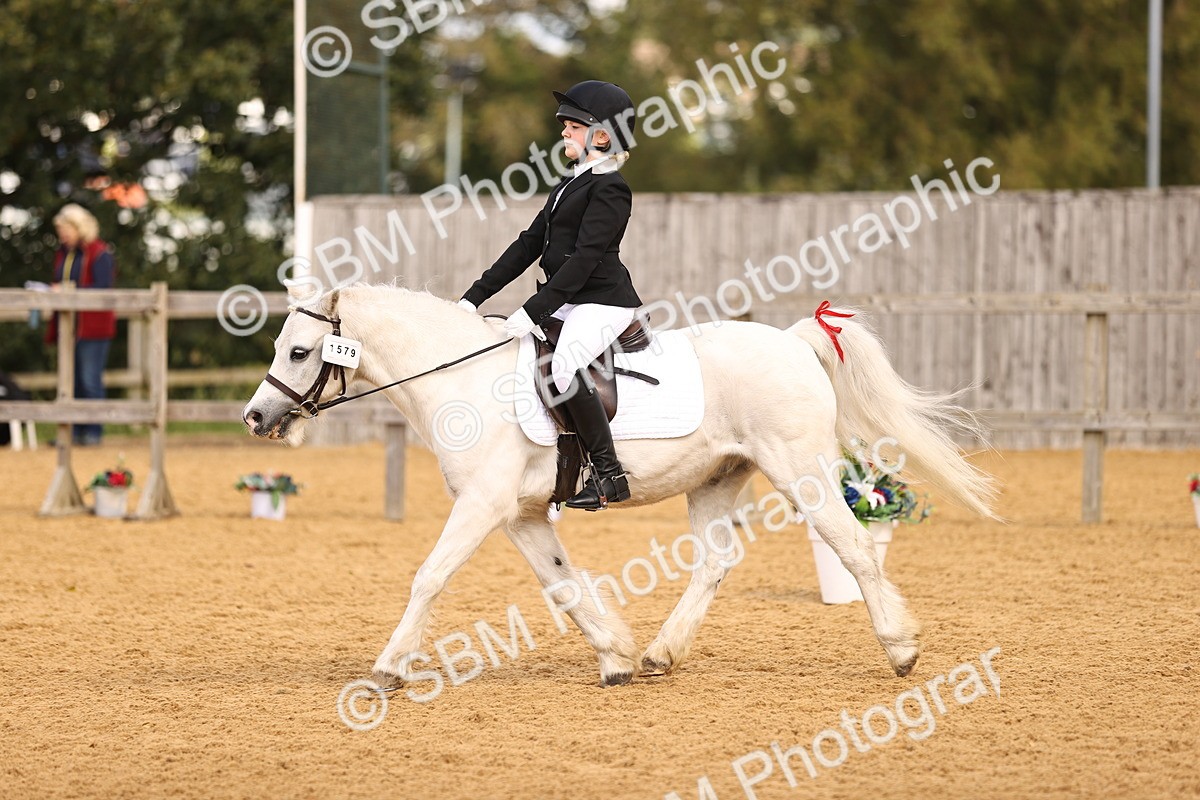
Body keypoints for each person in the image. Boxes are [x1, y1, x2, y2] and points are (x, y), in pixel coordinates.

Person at [458, 80, 643, 510]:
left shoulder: (611, 188)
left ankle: (609, 473)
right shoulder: (569, 182)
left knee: (564, 366)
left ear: (601, 136)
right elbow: (528, 244)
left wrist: (530, 311)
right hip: (568, 299)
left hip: (603, 302)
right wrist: (472, 299)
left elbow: (583, 262)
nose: (562, 132)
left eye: (572, 126)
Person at [47, 203, 116, 446]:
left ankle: (93, 432)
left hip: (92, 327)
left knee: (89, 379)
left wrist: (69, 292)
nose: (63, 235)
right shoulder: (65, 253)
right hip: (69, 327)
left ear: (79, 228)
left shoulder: (99, 253)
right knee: (70, 381)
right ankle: (73, 432)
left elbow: (102, 289)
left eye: (66, 229)